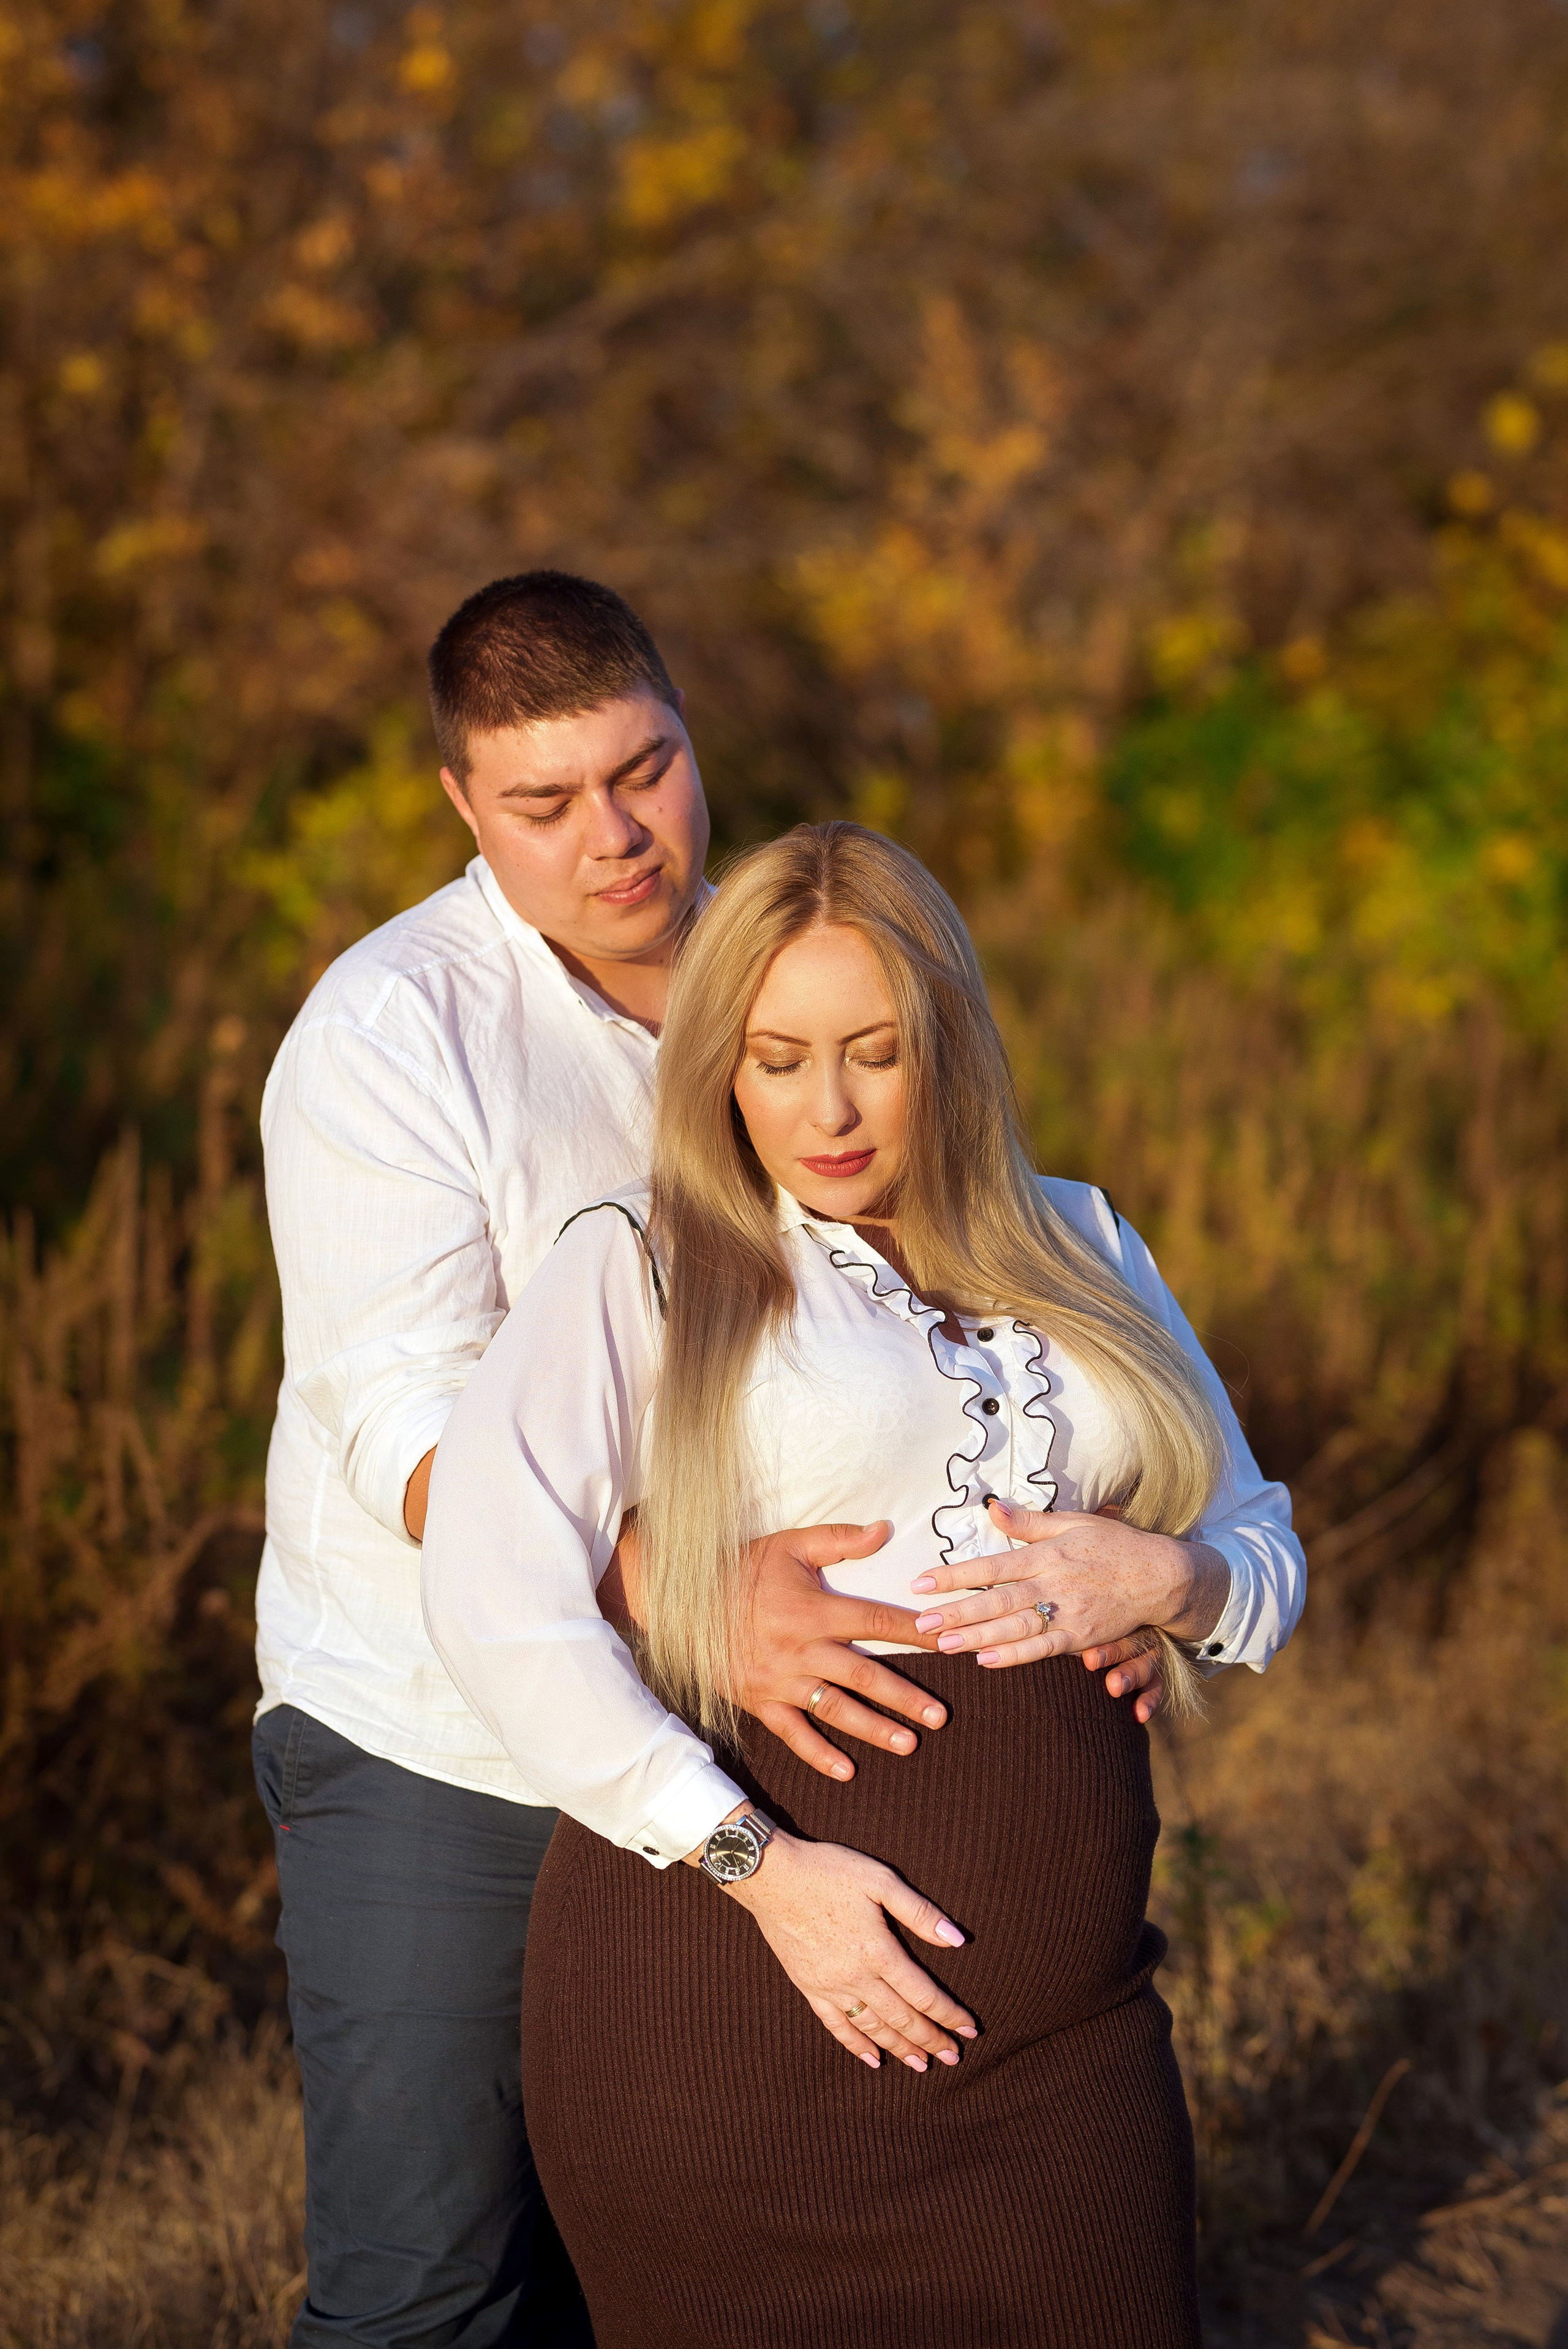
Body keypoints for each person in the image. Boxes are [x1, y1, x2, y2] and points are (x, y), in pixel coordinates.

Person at [254, 573, 1221, 2348]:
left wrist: (1120, 1553)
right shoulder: (394, 1037)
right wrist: (679, 1586)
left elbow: (934, 1278)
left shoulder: (792, 952)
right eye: (544, 804)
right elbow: (409, 1428)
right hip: (440, 1729)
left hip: (748, 1740)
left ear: (692, 731)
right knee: (441, 2285)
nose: (614, 835)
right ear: (463, 804)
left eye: (646, 769)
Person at [422, 822, 1307, 2349]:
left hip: (1066, 2051)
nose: (823, 1109)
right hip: (727, 2024)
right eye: (773, 1058)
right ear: (718, 1063)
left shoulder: (1083, 1239)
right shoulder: (644, 1265)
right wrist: (762, 1872)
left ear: (949, 1044)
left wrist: (1162, 1573)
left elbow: (1263, 1554)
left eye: (873, 1053)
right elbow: (493, 1598)